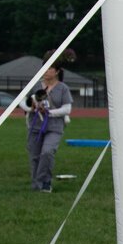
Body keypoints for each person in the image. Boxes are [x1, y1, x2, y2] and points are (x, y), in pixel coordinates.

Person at [24, 60, 73, 192]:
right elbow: (22, 101)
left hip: (54, 127)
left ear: (57, 71)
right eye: (45, 68)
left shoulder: (63, 88)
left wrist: (49, 112)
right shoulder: (34, 85)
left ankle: (45, 181)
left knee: (47, 152)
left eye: (50, 68)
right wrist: (32, 107)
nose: (46, 71)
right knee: (35, 156)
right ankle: (36, 185)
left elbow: (67, 108)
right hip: (35, 126)